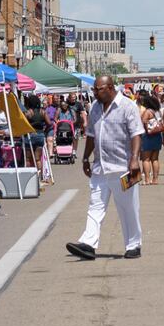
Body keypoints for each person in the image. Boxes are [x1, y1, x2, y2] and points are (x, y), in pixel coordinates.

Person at [64, 75, 144, 260]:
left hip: (122, 167)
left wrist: (134, 159)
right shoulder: (95, 108)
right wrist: (85, 158)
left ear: (109, 87)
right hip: (100, 167)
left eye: (97, 89)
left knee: (127, 208)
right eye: (94, 89)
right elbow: (91, 135)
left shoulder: (127, 106)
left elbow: (136, 134)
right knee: (95, 205)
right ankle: (88, 244)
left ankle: (133, 245)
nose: (95, 93)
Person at [138, 95, 163, 185]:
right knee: (155, 159)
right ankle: (155, 179)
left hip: (148, 136)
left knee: (146, 159)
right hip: (157, 135)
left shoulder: (147, 112)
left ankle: (147, 179)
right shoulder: (158, 112)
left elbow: (143, 122)